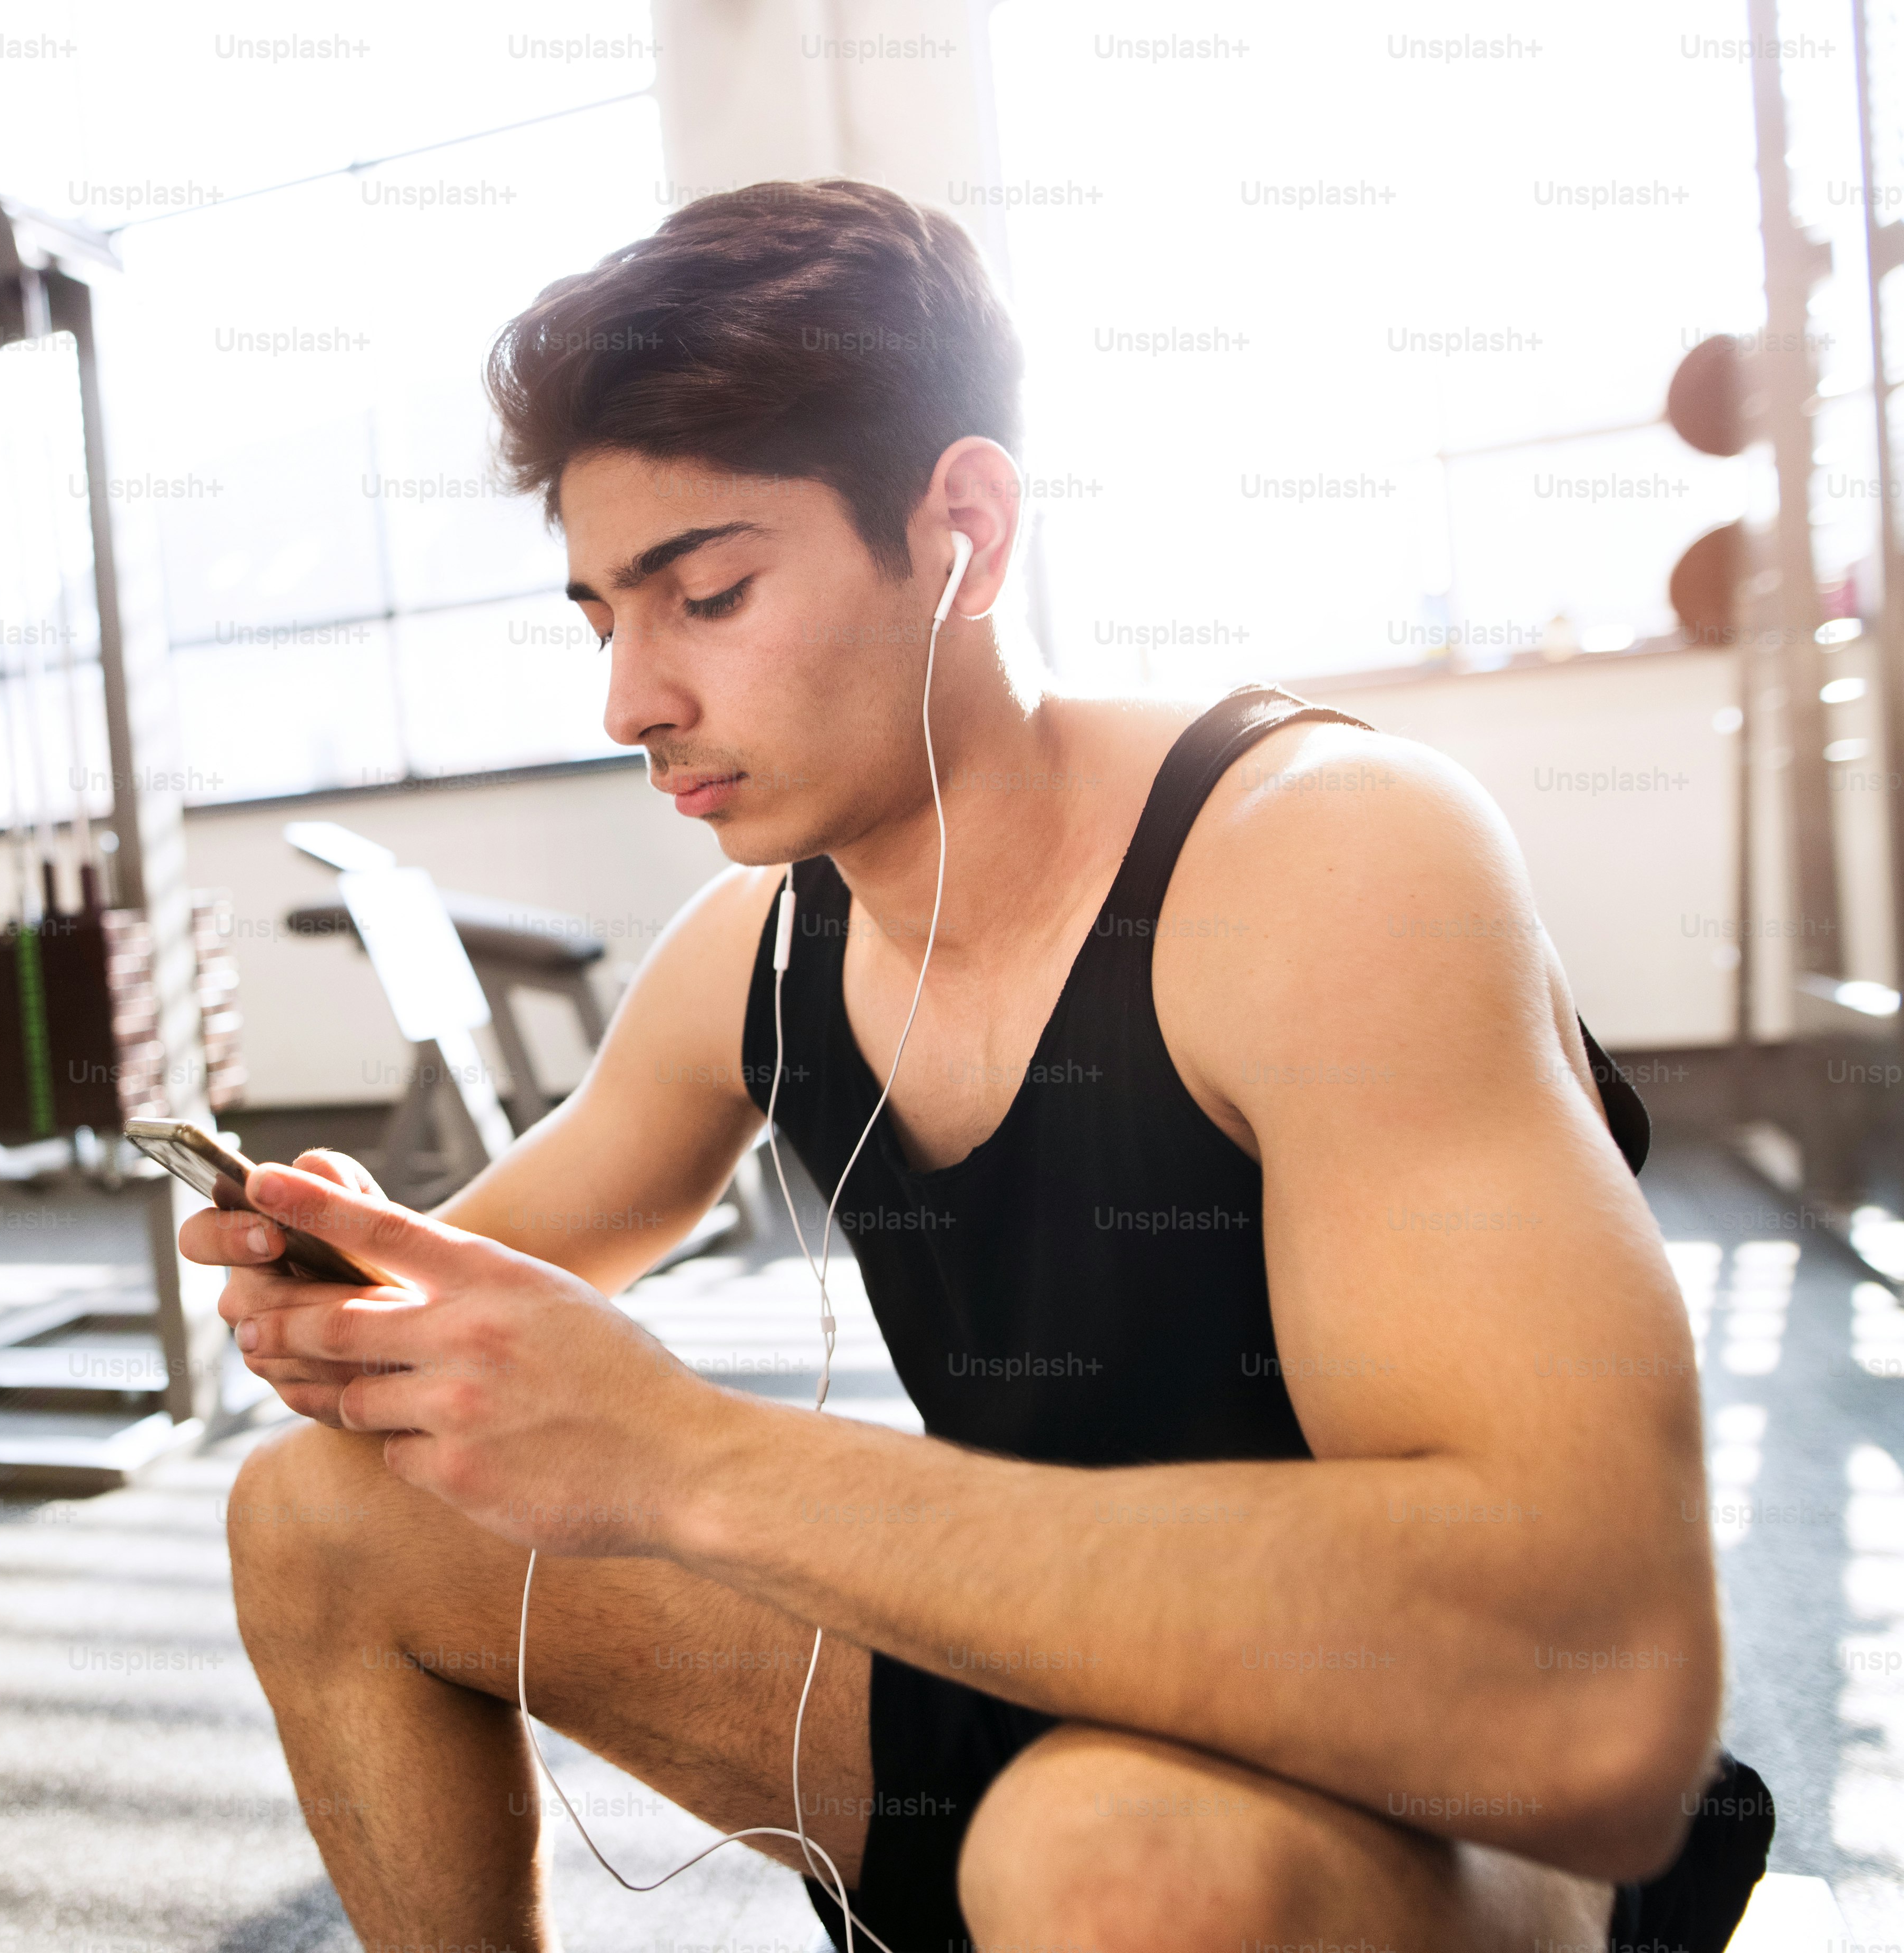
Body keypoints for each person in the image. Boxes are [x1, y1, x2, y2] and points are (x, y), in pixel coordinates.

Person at [189, 179, 1770, 1952]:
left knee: (1113, 1858)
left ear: (963, 527)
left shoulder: (1330, 860)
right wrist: (342, 1283)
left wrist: (690, 1458)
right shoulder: (757, 948)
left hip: (1420, 1780)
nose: (629, 702)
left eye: (706, 594)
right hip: (1029, 1680)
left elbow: (1589, 1701)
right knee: (319, 1518)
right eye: (600, 619)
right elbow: (471, 1287)